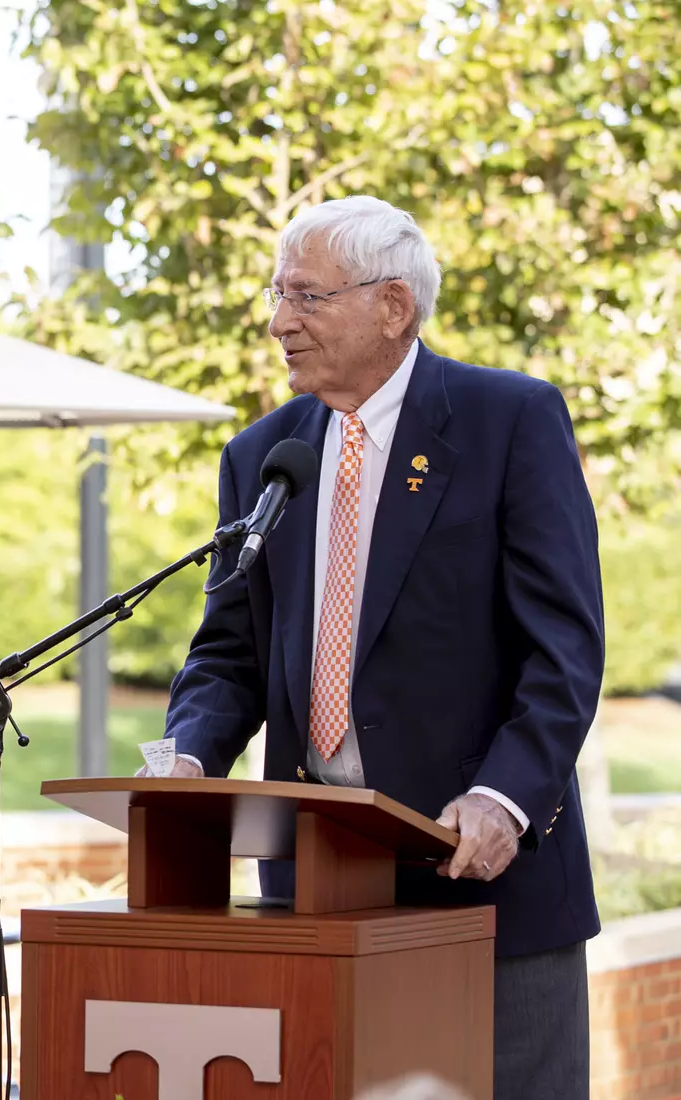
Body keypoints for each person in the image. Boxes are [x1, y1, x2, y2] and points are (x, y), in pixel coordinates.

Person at [157, 196, 602, 1100]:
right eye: (279, 298)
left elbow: (564, 645)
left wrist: (502, 797)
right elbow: (229, 653)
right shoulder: (263, 455)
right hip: (318, 884)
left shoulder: (506, 421)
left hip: (484, 880)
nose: (280, 323)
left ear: (392, 305)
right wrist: (190, 755)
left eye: (306, 298)